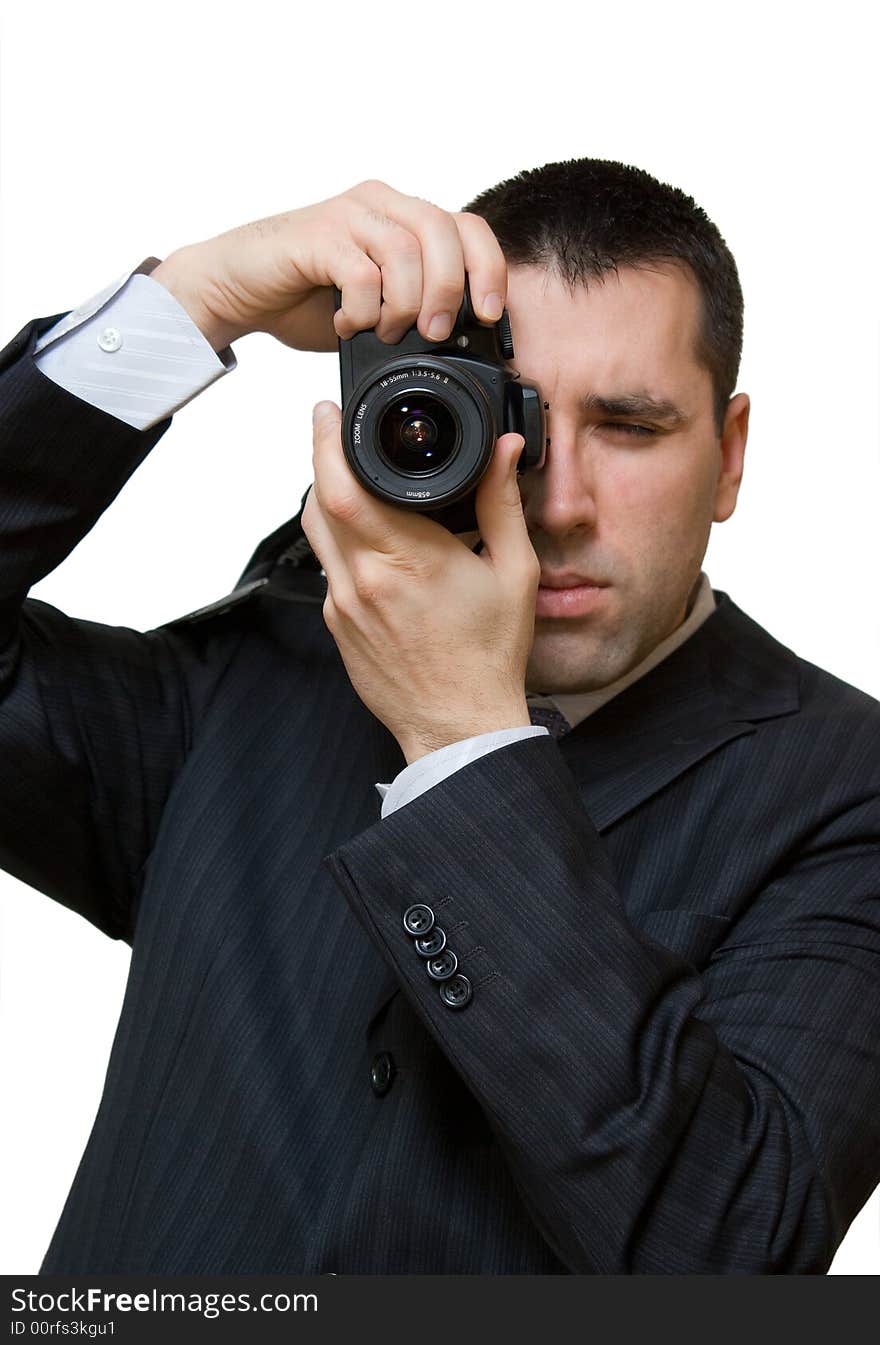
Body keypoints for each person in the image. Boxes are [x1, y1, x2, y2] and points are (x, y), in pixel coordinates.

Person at [1, 160, 878, 1275]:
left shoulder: (847, 788)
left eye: (629, 425)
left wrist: (464, 741)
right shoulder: (259, 674)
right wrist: (189, 304)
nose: (555, 503)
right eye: (509, 421)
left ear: (729, 455)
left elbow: (728, 1249)